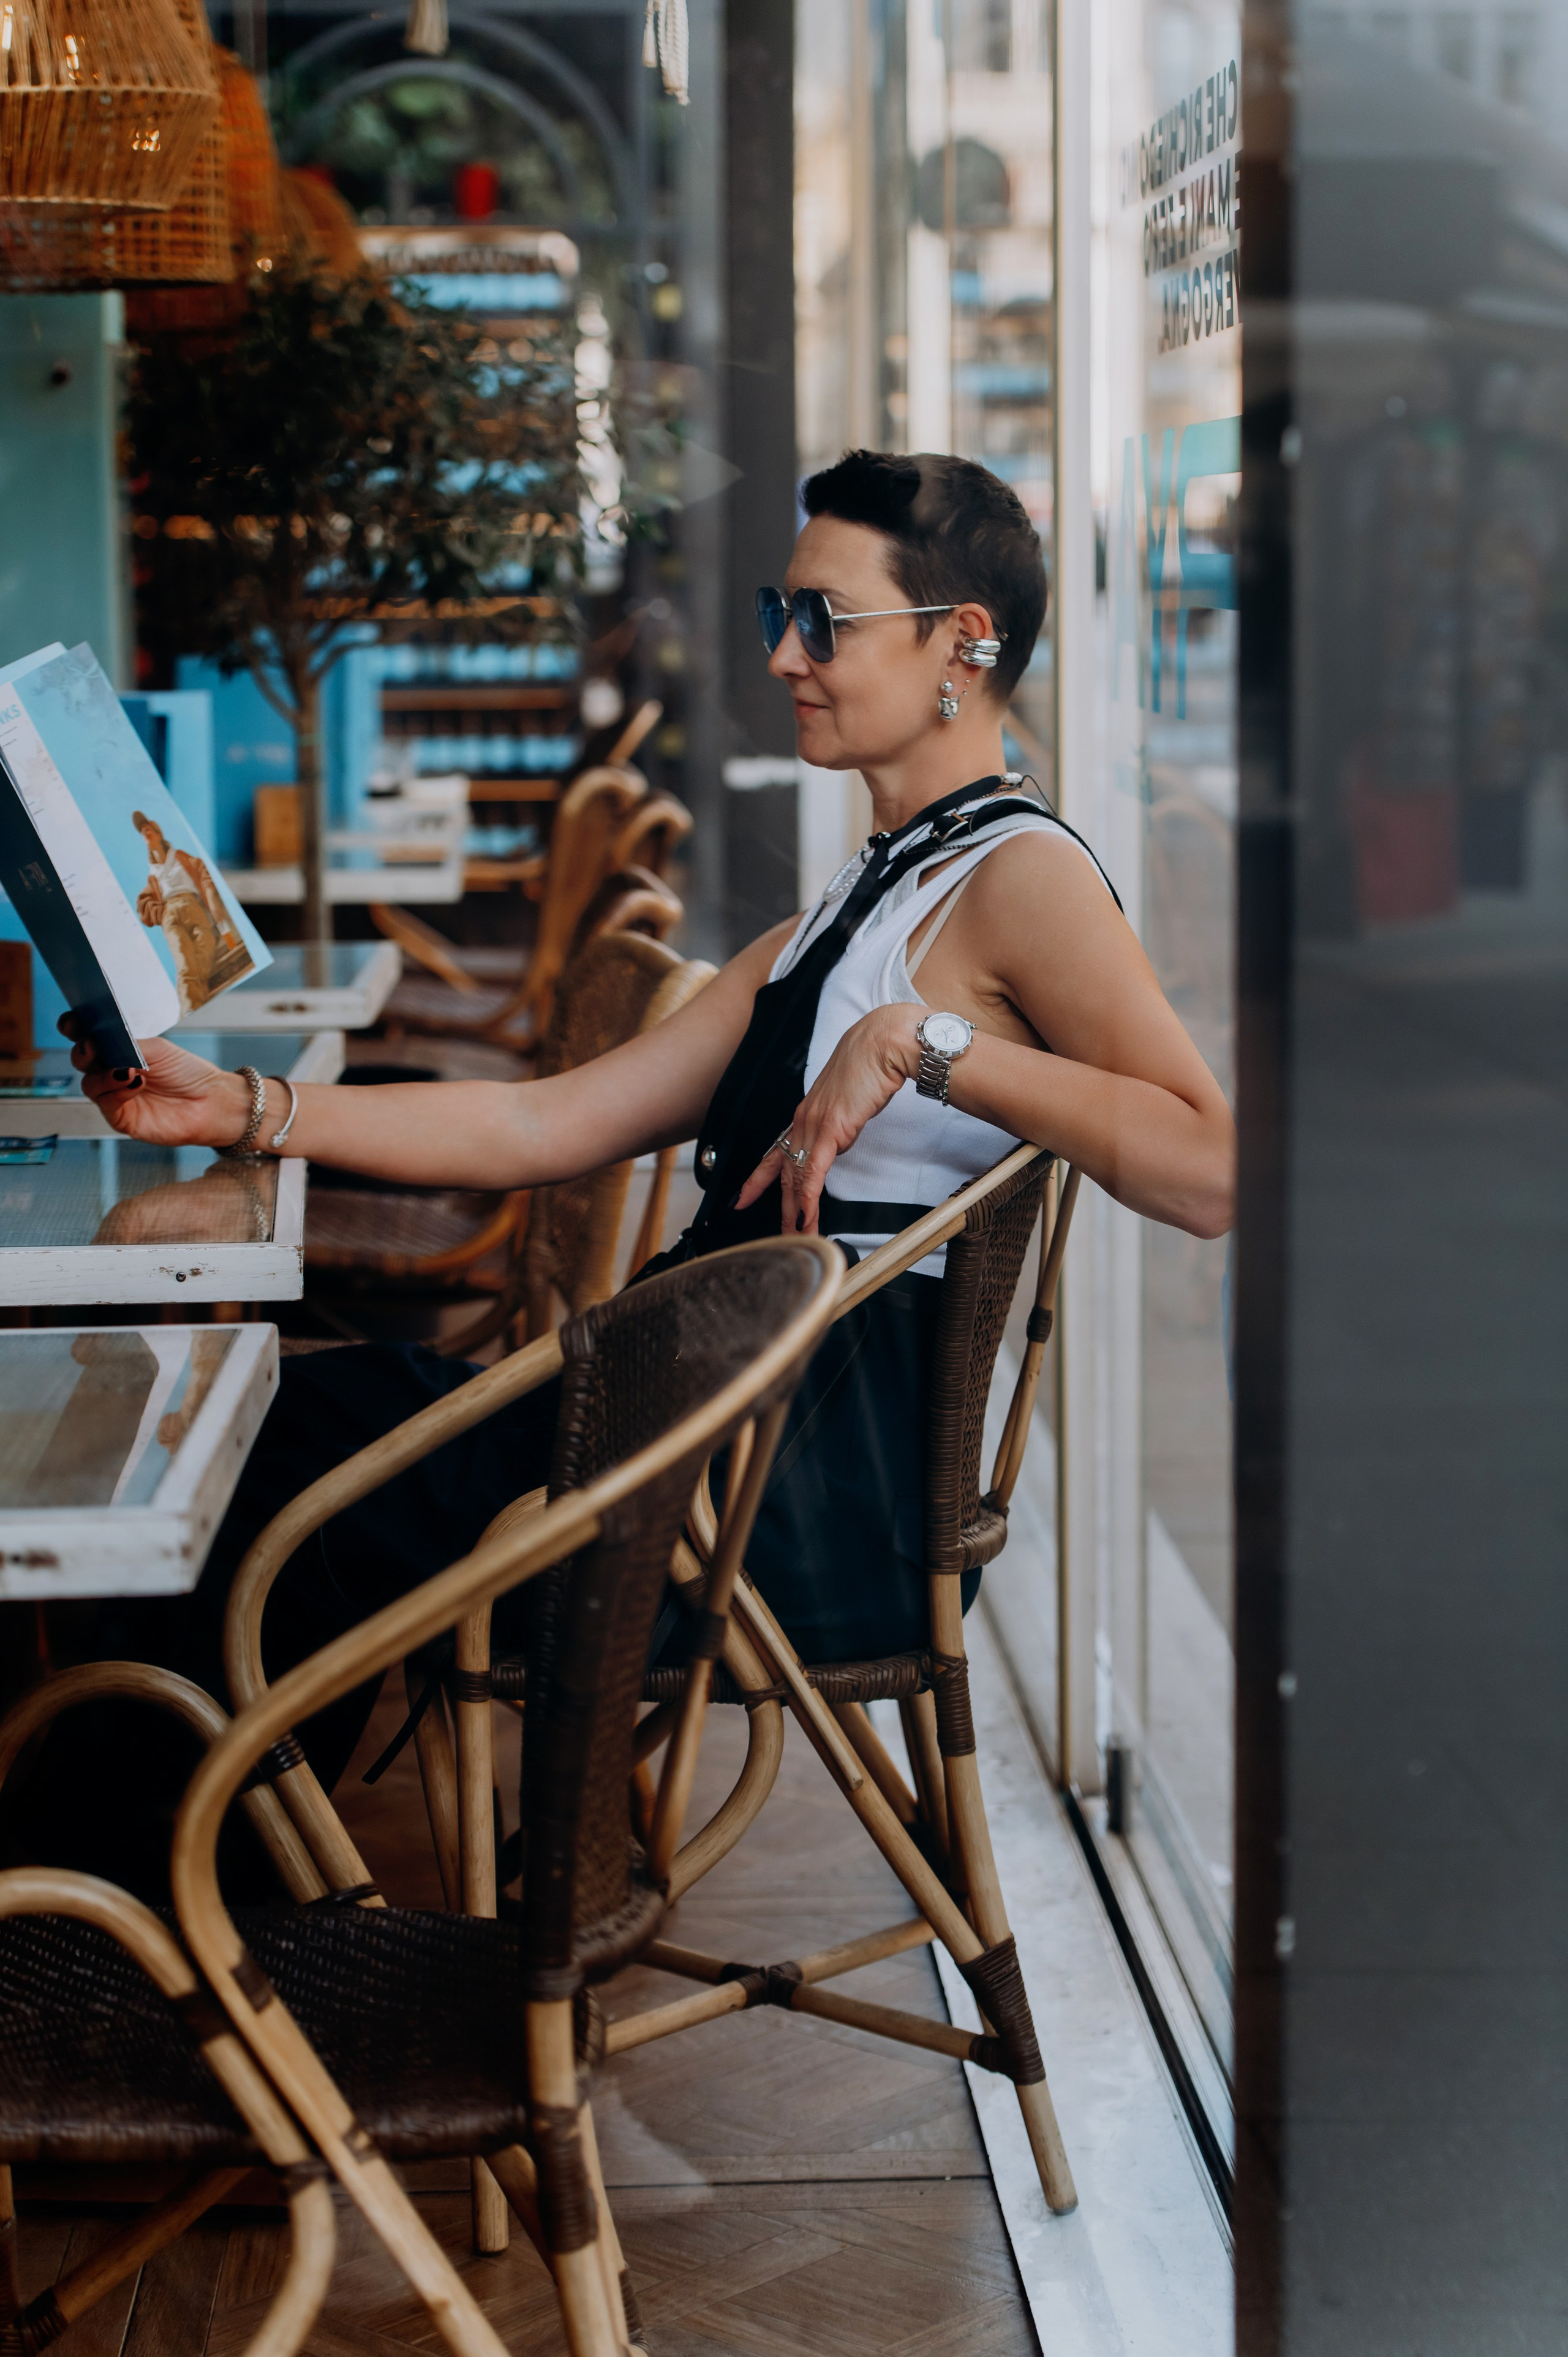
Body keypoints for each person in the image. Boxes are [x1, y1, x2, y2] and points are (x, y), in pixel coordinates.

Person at [27, 451, 1234, 1898]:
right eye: (777, 610)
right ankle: (191, 1907)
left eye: (822, 619)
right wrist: (249, 1102)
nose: (782, 653)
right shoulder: (862, 895)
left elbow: (1206, 1166)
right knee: (255, 1429)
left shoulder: (1020, 875)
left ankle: (129, 1924)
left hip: (770, 1482)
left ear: (961, 645)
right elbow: (547, 1126)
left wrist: (928, 1043)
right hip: (684, 1413)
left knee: (258, 1457)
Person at [132, 810, 252, 1015]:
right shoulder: (153, 874)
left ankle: (196, 1006)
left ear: (159, 833)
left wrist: (220, 917)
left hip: (193, 906)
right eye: (143, 833)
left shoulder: (183, 858)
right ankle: (190, 1011)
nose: (146, 834)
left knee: (205, 950)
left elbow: (206, 882)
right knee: (183, 961)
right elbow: (144, 904)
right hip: (170, 914)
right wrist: (161, 913)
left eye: (149, 830)